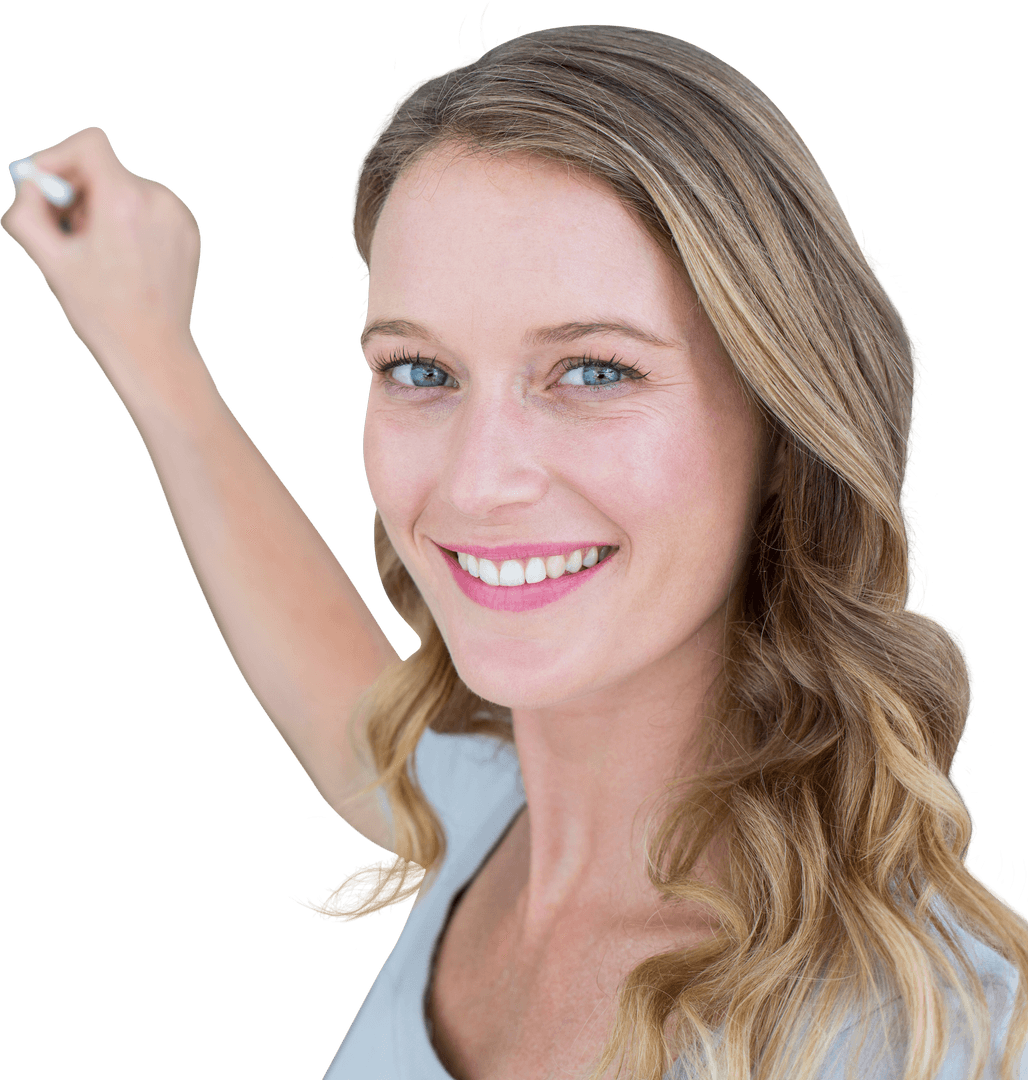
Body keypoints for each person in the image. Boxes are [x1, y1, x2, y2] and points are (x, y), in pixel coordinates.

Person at [3, 23, 1025, 1080]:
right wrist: (147, 342)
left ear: (781, 422)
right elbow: (341, 708)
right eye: (419, 371)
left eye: (591, 372)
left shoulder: (936, 1036)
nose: (476, 482)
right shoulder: (492, 817)